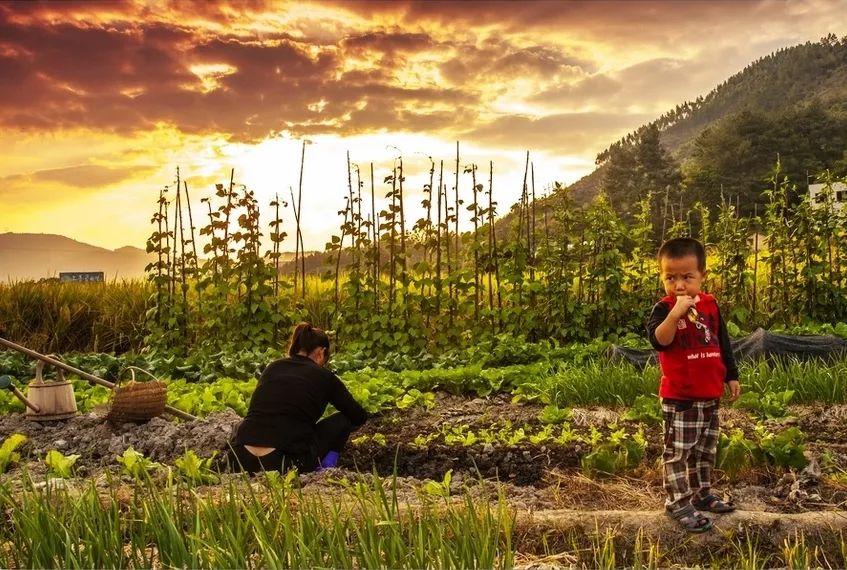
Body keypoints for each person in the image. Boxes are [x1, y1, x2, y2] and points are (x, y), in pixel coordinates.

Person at [646, 237, 741, 533]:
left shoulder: (711, 306)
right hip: (681, 398)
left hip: (710, 394)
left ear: (702, 276)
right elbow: (659, 341)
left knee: (705, 451)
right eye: (670, 278)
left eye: (687, 277)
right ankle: (678, 503)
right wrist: (676, 313)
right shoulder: (663, 309)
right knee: (678, 452)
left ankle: (702, 494)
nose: (679, 285)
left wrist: (731, 375)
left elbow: (722, 342)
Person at [227, 322, 367, 474]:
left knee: (244, 423)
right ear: (322, 352)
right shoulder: (325, 377)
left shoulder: (272, 367)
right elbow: (358, 416)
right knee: (343, 420)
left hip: (240, 459)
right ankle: (326, 468)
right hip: (282, 463)